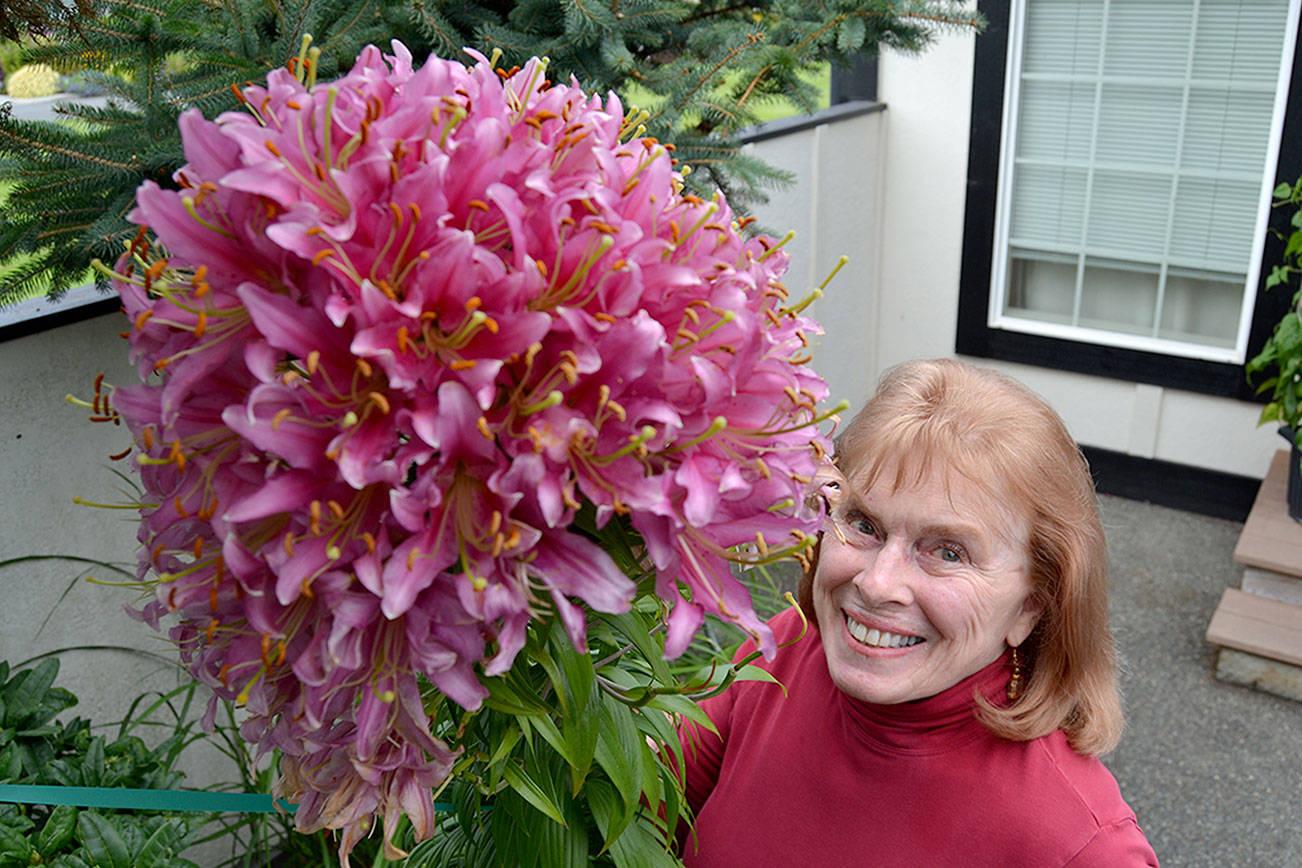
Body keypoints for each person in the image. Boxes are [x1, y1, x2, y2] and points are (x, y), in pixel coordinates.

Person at [677, 358, 1158, 866]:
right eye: (863, 523)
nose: (877, 583)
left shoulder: (1083, 848)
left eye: (949, 552)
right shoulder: (789, 648)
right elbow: (636, 801)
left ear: (1032, 608)